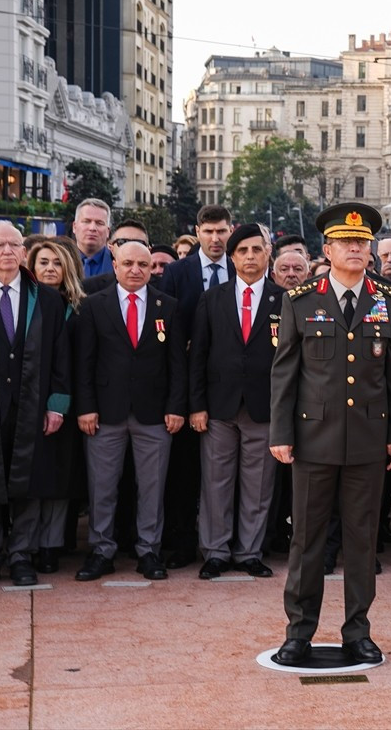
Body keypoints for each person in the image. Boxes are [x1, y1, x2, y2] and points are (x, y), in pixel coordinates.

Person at [268, 203, 391, 666]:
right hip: (313, 439)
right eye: (346, 242)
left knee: (361, 541)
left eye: (362, 242)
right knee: (306, 539)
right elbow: (285, 373)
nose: (356, 248)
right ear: (326, 249)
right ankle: (299, 632)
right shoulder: (300, 300)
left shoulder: (389, 300)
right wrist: (280, 432)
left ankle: (358, 631)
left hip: (369, 440)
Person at [73, 240, 187, 582]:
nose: (136, 270)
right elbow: (85, 362)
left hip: (154, 414)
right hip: (105, 413)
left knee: (152, 487)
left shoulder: (168, 306)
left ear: (151, 267)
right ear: (116, 265)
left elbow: (177, 363)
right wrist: (86, 408)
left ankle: (148, 550)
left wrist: (176, 407)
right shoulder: (94, 306)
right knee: (102, 486)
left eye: (143, 264)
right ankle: (101, 550)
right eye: (128, 264)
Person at [188, 224, 284, 580]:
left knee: (258, 485)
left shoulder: (283, 300)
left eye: (257, 250)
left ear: (267, 254)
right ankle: (215, 551)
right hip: (218, 408)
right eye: (242, 251)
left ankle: (248, 552)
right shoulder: (213, 298)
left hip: (265, 407)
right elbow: (198, 355)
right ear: (231, 257)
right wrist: (196, 405)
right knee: (215, 482)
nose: (250, 257)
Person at [0, 223, 71, 588]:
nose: (6, 251)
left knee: (29, 482)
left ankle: (21, 555)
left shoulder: (47, 299)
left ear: (23, 251)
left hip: (32, 406)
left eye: (13, 244)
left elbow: (61, 358)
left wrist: (57, 405)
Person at [159, 204, 235, 570]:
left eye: (222, 231)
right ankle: (184, 541)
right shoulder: (176, 272)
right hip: (188, 384)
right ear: (198, 232)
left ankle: (228, 542)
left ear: (230, 230)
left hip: (231, 388)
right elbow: (170, 331)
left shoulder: (241, 266)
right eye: (209, 232)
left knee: (225, 472)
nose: (216, 238)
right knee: (186, 469)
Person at [27, 239, 85, 573]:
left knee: (61, 477)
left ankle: (52, 544)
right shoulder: (24, 304)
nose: (50, 268)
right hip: (31, 403)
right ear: (32, 268)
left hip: (71, 404)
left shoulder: (80, 306)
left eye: (57, 263)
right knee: (33, 475)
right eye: (43, 262)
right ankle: (30, 543)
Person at [72, 198, 114, 277]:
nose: (92, 228)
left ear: (108, 231)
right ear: (74, 227)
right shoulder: (59, 260)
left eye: (99, 223)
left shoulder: (118, 263)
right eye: (86, 221)